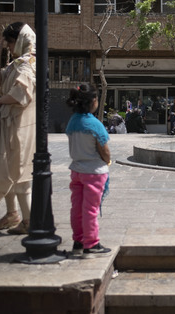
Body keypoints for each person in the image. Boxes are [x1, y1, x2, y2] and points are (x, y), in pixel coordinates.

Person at [0, 22, 36, 235]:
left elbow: (21, 95)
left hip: (21, 127)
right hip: (9, 125)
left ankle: (29, 221)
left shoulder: (29, 63)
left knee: (20, 172)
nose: (9, 46)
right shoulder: (17, 64)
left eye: (11, 42)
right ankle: (12, 214)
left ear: (22, 40)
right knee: (6, 168)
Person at [65, 84, 112, 258]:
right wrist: (107, 161)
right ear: (93, 101)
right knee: (90, 209)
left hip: (76, 170)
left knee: (76, 208)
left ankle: (78, 241)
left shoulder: (72, 122)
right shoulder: (94, 123)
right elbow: (105, 151)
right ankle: (91, 243)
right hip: (94, 172)